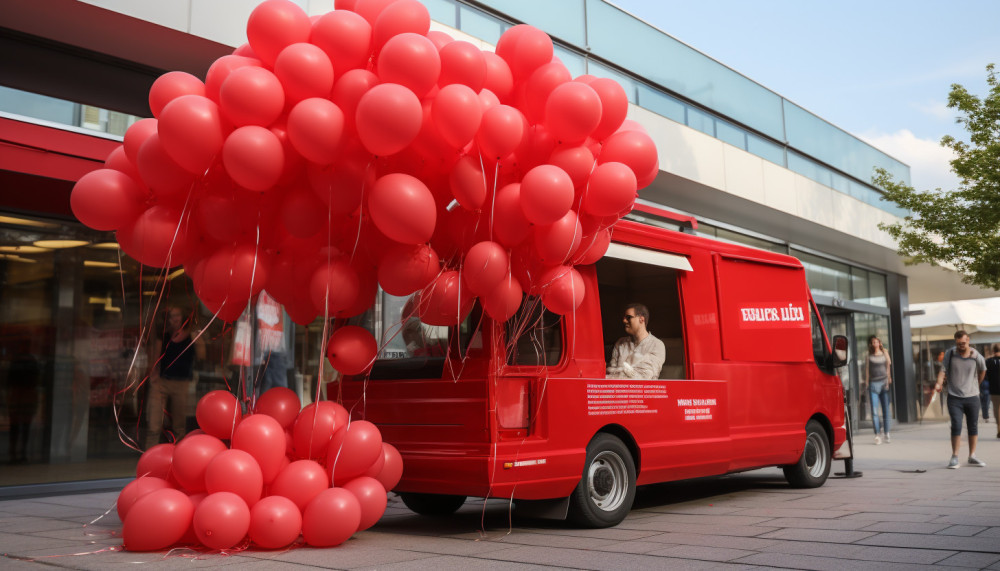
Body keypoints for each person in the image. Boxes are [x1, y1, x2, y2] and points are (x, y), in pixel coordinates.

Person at [146, 307, 205, 448]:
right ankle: (149, 453)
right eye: (172, 316)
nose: (175, 319)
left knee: (179, 423)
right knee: (154, 421)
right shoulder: (164, 335)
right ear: (168, 319)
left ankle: (178, 453)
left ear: (183, 316)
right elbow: (156, 357)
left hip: (181, 383)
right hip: (161, 382)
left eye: (177, 315)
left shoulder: (192, 335)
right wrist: (153, 374)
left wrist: (197, 335)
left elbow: (202, 356)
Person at [935, 330, 987, 468]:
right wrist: (939, 383)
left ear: (968, 340)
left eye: (963, 343)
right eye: (958, 344)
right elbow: (942, 371)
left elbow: (983, 369)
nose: (961, 346)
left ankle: (972, 456)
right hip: (954, 397)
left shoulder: (976, 355)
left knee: (973, 426)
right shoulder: (950, 353)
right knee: (956, 425)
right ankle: (955, 456)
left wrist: (977, 385)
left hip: (972, 397)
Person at [606, 303, 666, 380]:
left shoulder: (657, 345)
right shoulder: (620, 342)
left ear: (641, 319)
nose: (624, 320)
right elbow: (609, 371)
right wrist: (626, 370)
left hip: (642, 391)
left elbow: (644, 378)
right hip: (617, 390)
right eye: (624, 317)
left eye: (628, 317)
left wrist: (619, 371)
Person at [864, 335, 892, 445]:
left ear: (879, 343)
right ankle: (877, 434)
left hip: (884, 383)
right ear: (871, 344)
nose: (875, 343)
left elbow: (888, 364)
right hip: (873, 384)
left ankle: (886, 432)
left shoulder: (884, 352)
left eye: (877, 342)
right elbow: (867, 369)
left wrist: (889, 378)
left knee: (886, 410)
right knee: (875, 412)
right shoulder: (869, 355)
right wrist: (866, 382)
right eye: (873, 342)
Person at [986, 344, 1000, 438]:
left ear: (993, 351)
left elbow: (985, 375)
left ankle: (999, 428)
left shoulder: (988, 362)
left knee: (996, 409)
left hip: (994, 389)